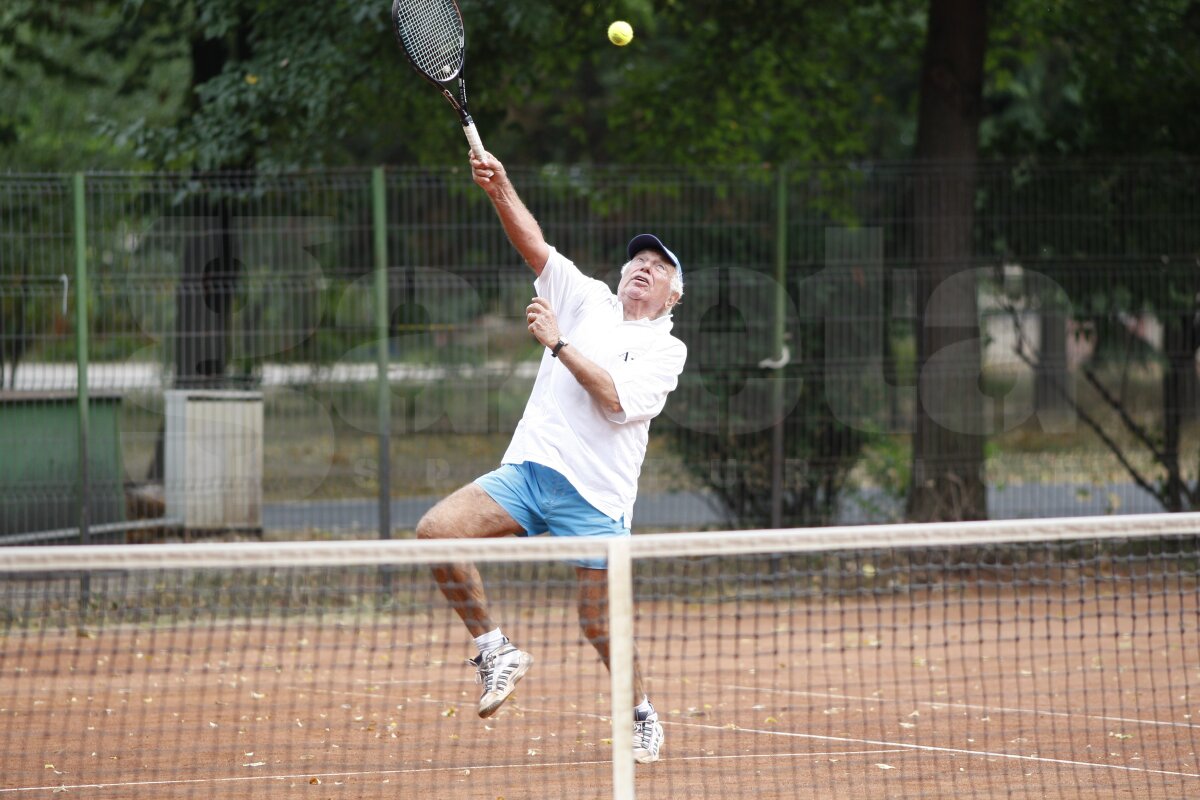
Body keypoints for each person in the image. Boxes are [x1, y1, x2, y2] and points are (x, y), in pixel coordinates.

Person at [415, 149, 687, 765]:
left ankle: (640, 712)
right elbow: (534, 243)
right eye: (637, 260)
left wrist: (557, 343)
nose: (643, 268)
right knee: (437, 531)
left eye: (658, 266)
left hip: (597, 497)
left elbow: (616, 399)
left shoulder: (666, 351)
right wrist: (499, 187)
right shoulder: (587, 297)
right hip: (531, 471)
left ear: (674, 295)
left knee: (598, 623)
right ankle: (496, 650)